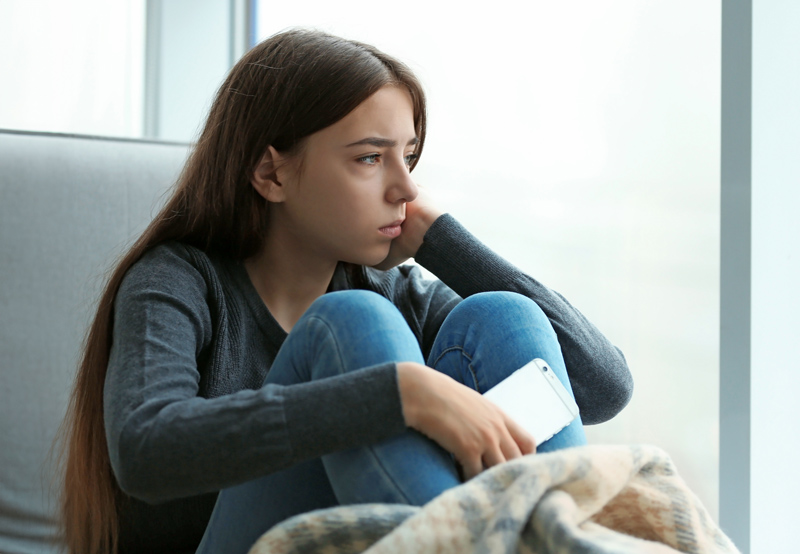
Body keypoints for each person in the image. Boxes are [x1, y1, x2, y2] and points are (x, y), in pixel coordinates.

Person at [57, 29, 633, 554]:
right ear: (272, 174)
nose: (406, 188)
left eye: (407, 156)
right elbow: (146, 452)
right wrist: (398, 394)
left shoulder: (397, 290)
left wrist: (449, 245)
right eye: (369, 158)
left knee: (502, 316)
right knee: (351, 322)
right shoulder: (177, 281)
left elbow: (603, 387)